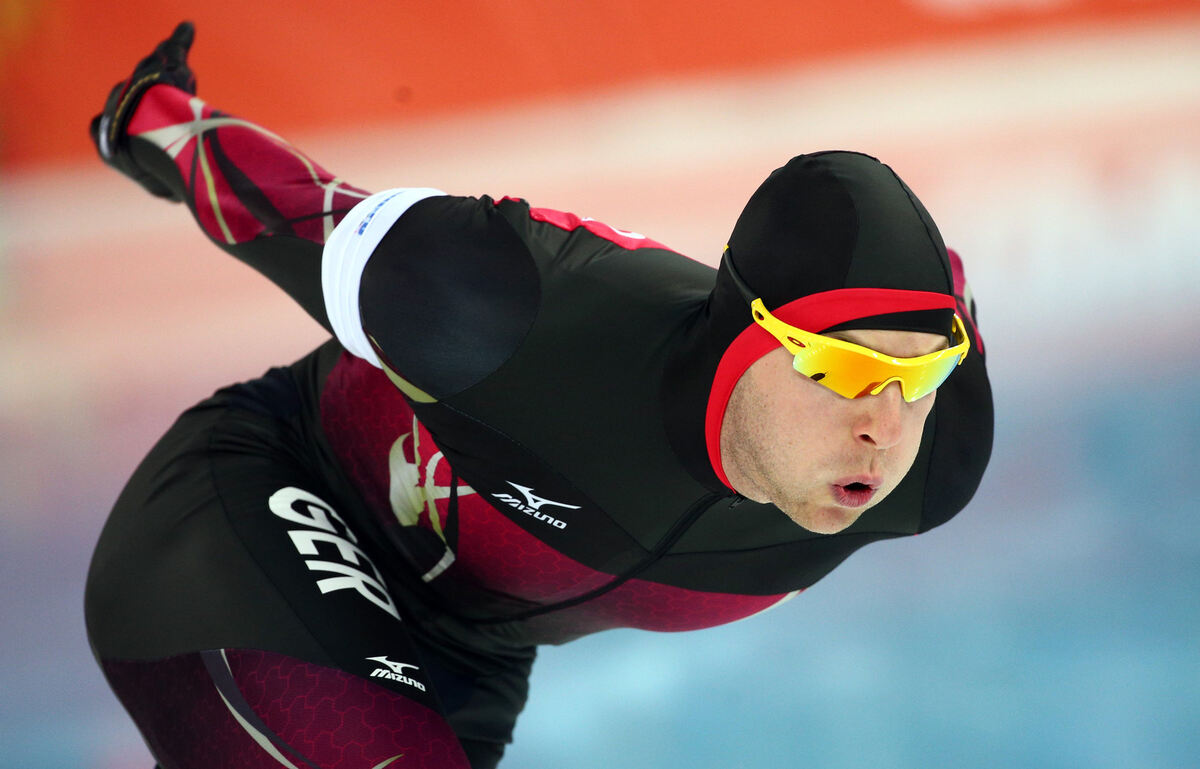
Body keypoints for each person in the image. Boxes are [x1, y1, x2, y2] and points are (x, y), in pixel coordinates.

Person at [84, 22, 993, 769]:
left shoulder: (931, 465)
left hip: (465, 656)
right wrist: (153, 120)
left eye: (920, 378)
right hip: (267, 496)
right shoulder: (512, 310)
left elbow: (934, 300)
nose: (884, 427)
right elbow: (295, 210)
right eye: (843, 369)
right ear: (746, 338)